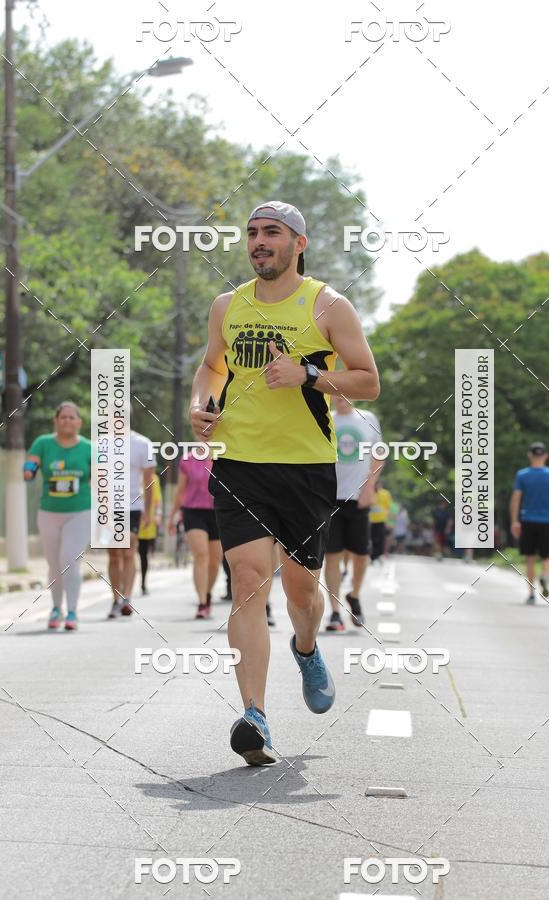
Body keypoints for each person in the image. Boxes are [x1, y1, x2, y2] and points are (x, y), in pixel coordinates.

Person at [189, 200, 379, 766]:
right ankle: (255, 716)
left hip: (305, 468)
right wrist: (201, 405)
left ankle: (307, 646)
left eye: (271, 232)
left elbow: (367, 381)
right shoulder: (227, 305)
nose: (258, 241)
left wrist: (308, 374)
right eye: (251, 233)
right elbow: (210, 366)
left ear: (299, 242)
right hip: (239, 462)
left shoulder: (327, 305)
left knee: (302, 593)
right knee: (247, 579)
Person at [24, 401, 92, 630]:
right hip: (49, 512)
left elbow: (101, 478)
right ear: (56, 421)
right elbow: (31, 464)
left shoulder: (89, 448)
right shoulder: (43, 444)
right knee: (54, 564)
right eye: (63, 417)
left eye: (72, 417)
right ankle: (56, 608)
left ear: (79, 423)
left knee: (69, 560)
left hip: (80, 511)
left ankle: (72, 612)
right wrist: (29, 471)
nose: (67, 421)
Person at [324, 396, 381, 631]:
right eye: (335, 393)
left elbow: (378, 455)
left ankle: (354, 595)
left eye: (344, 393)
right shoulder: (327, 418)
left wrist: (369, 487)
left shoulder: (367, 418)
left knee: (361, 555)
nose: (340, 398)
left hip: (359, 498)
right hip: (331, 497)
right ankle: (335, 612)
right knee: (332, 555)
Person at [107, 427, 156, 618]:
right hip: (109, 507)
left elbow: (148, 479)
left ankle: (126, 598)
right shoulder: (101, 444)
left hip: (133, 506)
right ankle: (115, 599)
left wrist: (148, 510)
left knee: (128, 552)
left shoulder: (143, 443)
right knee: (114, 555)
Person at [169, 448, 222, 619]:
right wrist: (172, 516)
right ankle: (201, 603)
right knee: (201, 556)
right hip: (193, 512)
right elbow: (180, 490)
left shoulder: (226, 456)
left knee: (214, 562)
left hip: (218, 512)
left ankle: (207, 594)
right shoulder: (188, 459)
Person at [510, 441, 549, 604]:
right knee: (547, 555)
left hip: (528, 520)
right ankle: (545, 576)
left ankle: (531, 593)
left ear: (530, 456)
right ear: (545, 456)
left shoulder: (522, 475)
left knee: (530, 558)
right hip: (548, 520)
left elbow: (516, 500)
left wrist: (514, 521)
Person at [137, 475, 162, 595]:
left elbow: (158, 501)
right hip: (131, 518)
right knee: (127, 552)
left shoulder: (154, 479)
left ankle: (143, 582)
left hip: (148, 521)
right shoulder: (130, 474)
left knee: (143, 553)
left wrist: (158, 515)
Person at [369, 479, 392, 561]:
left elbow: (388, 507)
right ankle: (371, 554)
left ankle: (377, 554)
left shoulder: (385, 494)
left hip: (381, 520)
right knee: (371, 538)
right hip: (370, 520)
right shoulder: (369, 492)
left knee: (380, 538)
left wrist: (389, 521)